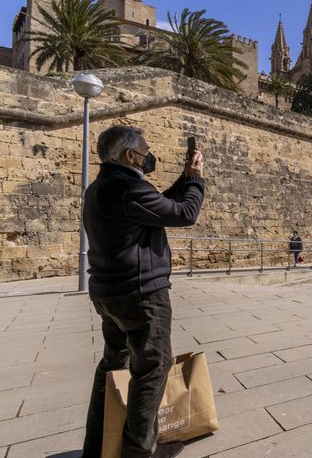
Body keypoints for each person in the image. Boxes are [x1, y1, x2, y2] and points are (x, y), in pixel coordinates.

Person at [82, 125, 205, 458]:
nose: (149, 155)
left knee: (112, 364)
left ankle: (96, 446)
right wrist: (196, 181)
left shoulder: (101, 187)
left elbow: (158, 205)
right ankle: (138, 451)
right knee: (154, 366)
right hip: (140, 294)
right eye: (145, 150)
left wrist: (183, 179)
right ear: (129, 155)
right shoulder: (129, 189)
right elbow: (183, 213)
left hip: (108, 293)